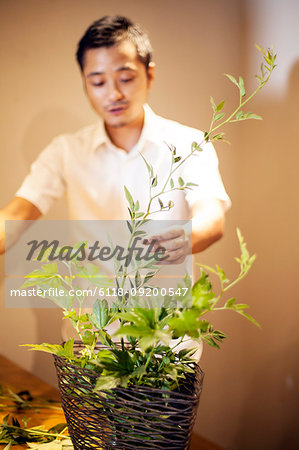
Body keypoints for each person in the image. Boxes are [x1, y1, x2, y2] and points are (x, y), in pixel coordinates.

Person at [0, 15, 230, 263]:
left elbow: (211, 217)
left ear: (149, 75)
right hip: (91, 302)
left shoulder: (190, 144)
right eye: (98, 82)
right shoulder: (66, 151)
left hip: (164, 302)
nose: (113, 94)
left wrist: (182, 238)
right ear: (85, 85)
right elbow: (17, 215)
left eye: (126, 79)